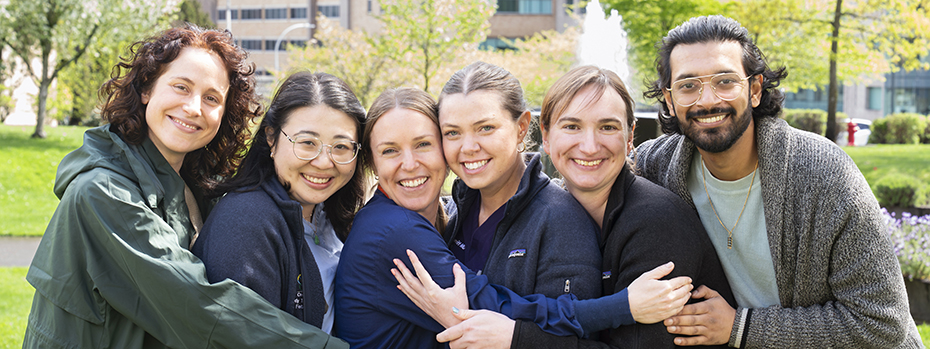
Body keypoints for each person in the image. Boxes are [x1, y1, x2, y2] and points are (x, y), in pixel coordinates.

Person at [23, 27, 347, 348]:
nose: (194, 108)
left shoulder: (195, 185)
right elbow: (199, 307)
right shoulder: (104, 192)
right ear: (146, 88)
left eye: (211, 98)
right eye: (181, 87)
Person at [394, 66, 735, 349]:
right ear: (545, 135)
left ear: (631, 136)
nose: (589, 146)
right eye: (572, 126)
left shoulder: (655, 223)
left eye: (607, 127)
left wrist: (513, 337)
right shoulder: (463, 206)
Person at [636, 15, 922, 348]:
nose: (708, 100)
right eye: (688, 86)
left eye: (725, 81)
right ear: (670, 100)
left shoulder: (824, 173)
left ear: (755, 90)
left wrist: (740, 327)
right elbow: (596, 177)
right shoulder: (656, 165)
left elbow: (881, 320)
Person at [335, 88, 692, 348]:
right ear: (371, 162)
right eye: (390, 151)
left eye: (424, 144)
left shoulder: (450, 212)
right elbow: (492, 307)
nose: (410, 164)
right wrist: (621, 306)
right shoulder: (395, 231)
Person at [192, 72, 367, 335]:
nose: (324, 162)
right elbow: (241, 337)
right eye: (307, 143)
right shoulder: (245, 222)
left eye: (341, 147)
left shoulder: (330, 215)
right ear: (271, 139)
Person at [439, 61, 601, 301]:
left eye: (485, 128)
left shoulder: (562, 223)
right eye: (452, 132)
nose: (468, 147)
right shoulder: (453, 210)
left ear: (522, 127)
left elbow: (569, 322)